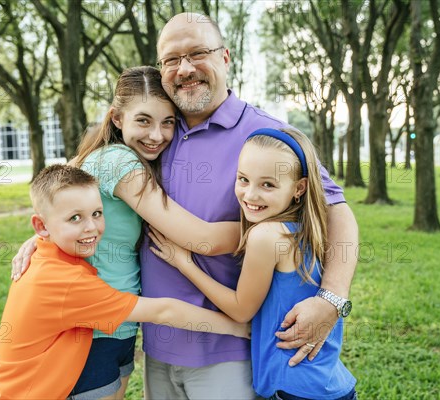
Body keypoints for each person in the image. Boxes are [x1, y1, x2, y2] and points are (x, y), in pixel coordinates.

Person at [137, 12, 359, 399]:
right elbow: (87, 186)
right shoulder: (154, 132)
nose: (185, 68)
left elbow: (336, 209)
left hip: (229, 353)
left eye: (197, 53)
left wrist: (332, 298)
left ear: (225, 58)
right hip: (156, 346)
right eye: (172, 59)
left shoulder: (266, 135)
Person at [11, 66, 240, 400]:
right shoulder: (118, 162)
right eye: (143, 120)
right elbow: (200, 239)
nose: (157, 135)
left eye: (168, 122)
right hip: (93, 330)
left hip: (118, 326)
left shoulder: (120, 159)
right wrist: (266, 229)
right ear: (117, 119)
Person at [0, 164, 248, 400]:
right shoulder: (67, 283)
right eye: (75, 218)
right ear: (41, 226)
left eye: (97, 213)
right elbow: (163, 311)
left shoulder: (46, 254)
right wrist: (236, 327)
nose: (91, 227)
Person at [149, 128, 357, 400]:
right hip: (329, 384)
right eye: (243, 179)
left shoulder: (265, 236)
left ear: (299, 188)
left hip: (293, 388)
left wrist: (184, 264)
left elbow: (240, 309)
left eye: (267, 185)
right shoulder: (311, 230)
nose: (250, 195)